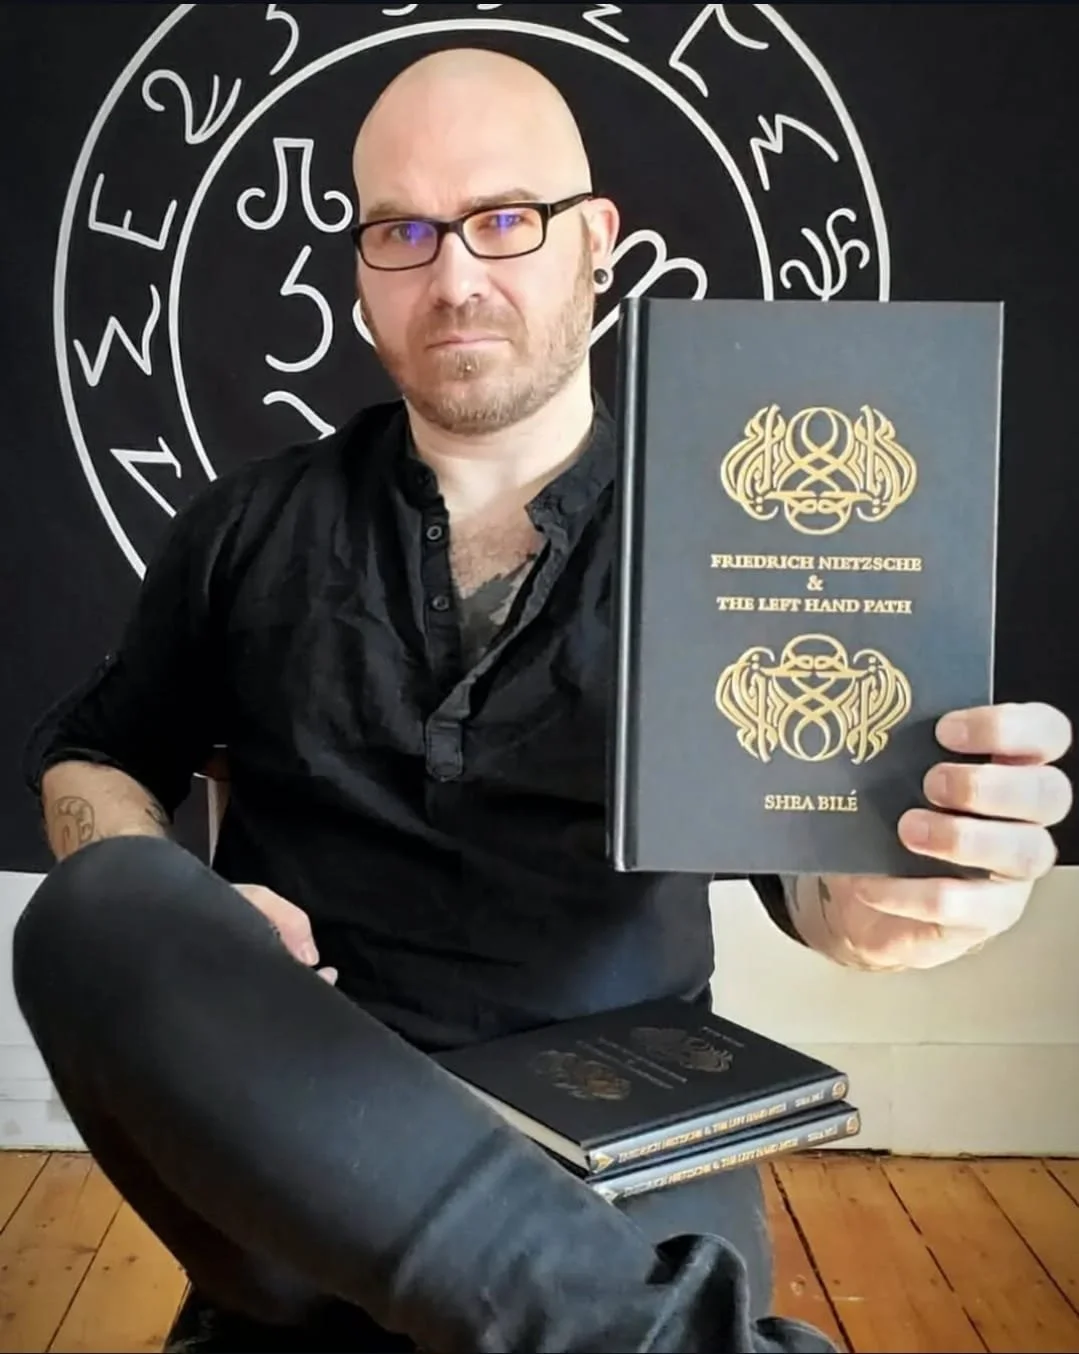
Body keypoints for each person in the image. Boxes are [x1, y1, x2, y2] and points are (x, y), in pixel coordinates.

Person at [13, 46, 1072, 1354]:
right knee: (95, 910)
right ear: (359, 277)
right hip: (301, 1136)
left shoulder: (731, 535)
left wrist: (915, 889)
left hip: (625, 1152)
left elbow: (828, 896)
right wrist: (184, 903)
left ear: (597, 246)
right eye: (403, 232)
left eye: (504, 220)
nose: (455, 277)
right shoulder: (247, 524)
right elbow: (90, 750)